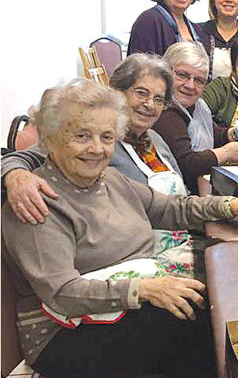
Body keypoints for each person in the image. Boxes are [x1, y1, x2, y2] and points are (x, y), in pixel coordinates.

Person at [2, 78, 238, 377]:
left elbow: (171, 208)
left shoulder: (110, 179)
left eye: (106, 137)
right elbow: (62, 293)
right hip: (62, 335)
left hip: (126, 301)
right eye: (82, 135)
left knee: (216, 306)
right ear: (49, 140)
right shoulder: (37, 201)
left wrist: (228, 206)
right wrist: (143, 289)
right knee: (199, 321)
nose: (96, 149)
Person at [2, 54, 209, 279]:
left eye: (159, 99)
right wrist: (15, 175)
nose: (149, 105)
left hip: (178, 242)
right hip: (134, 263)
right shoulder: (92, 144)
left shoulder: (155, 140)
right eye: (141, 93)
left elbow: (175, 205)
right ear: (118, 93)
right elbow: (20, 158)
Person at [152, 42, 238, 194]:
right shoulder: (165, 111)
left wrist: (234, 133)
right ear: (165, 73)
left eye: (199, 80)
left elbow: (209, 132)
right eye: (183, 75)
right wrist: (227, 153)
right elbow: (188, 164)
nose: (190, 85)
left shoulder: (196, 105)